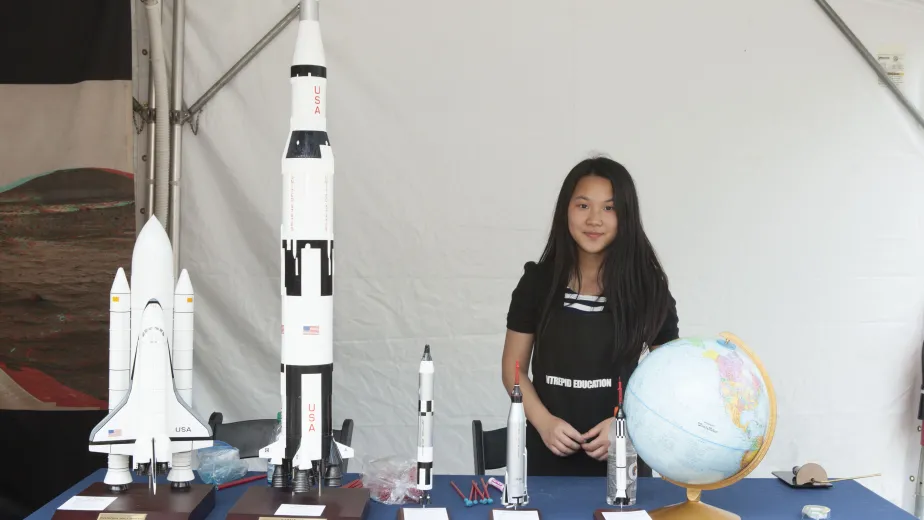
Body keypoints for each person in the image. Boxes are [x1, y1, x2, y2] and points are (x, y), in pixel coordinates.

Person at [501, 155, 679, 477]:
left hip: (621, 462)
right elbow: (512, 369)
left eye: (609, 208)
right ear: (565, 211)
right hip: (546, 457)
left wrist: (626, 424)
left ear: (626, 216)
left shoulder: (648, 287)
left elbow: (667, 379)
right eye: (583, 206)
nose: (594, 219)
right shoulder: (537, 283)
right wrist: (544, 422)